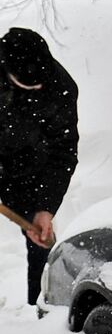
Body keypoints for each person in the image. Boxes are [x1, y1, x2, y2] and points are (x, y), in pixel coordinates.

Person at [0, 28, 78, 305]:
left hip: (30, 167)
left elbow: (64, 152)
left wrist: (46, 207)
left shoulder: (59, 87)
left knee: (40, 241)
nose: (38, 90)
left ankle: (40, 310)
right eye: (29, 86)